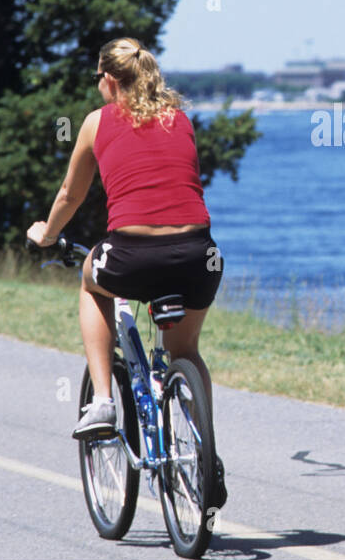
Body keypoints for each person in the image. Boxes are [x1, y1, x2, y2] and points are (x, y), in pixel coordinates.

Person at [27, 37, 226, 505]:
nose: (97, 86)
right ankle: (206, 452)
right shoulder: (180, 118)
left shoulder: (97, 123)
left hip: (131, 255)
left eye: (98, 78)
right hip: (199, 256)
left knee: (91, 281)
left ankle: (102, 400)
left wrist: (47, 234)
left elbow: (70, 197)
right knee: (187, 350)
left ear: (110, 79)